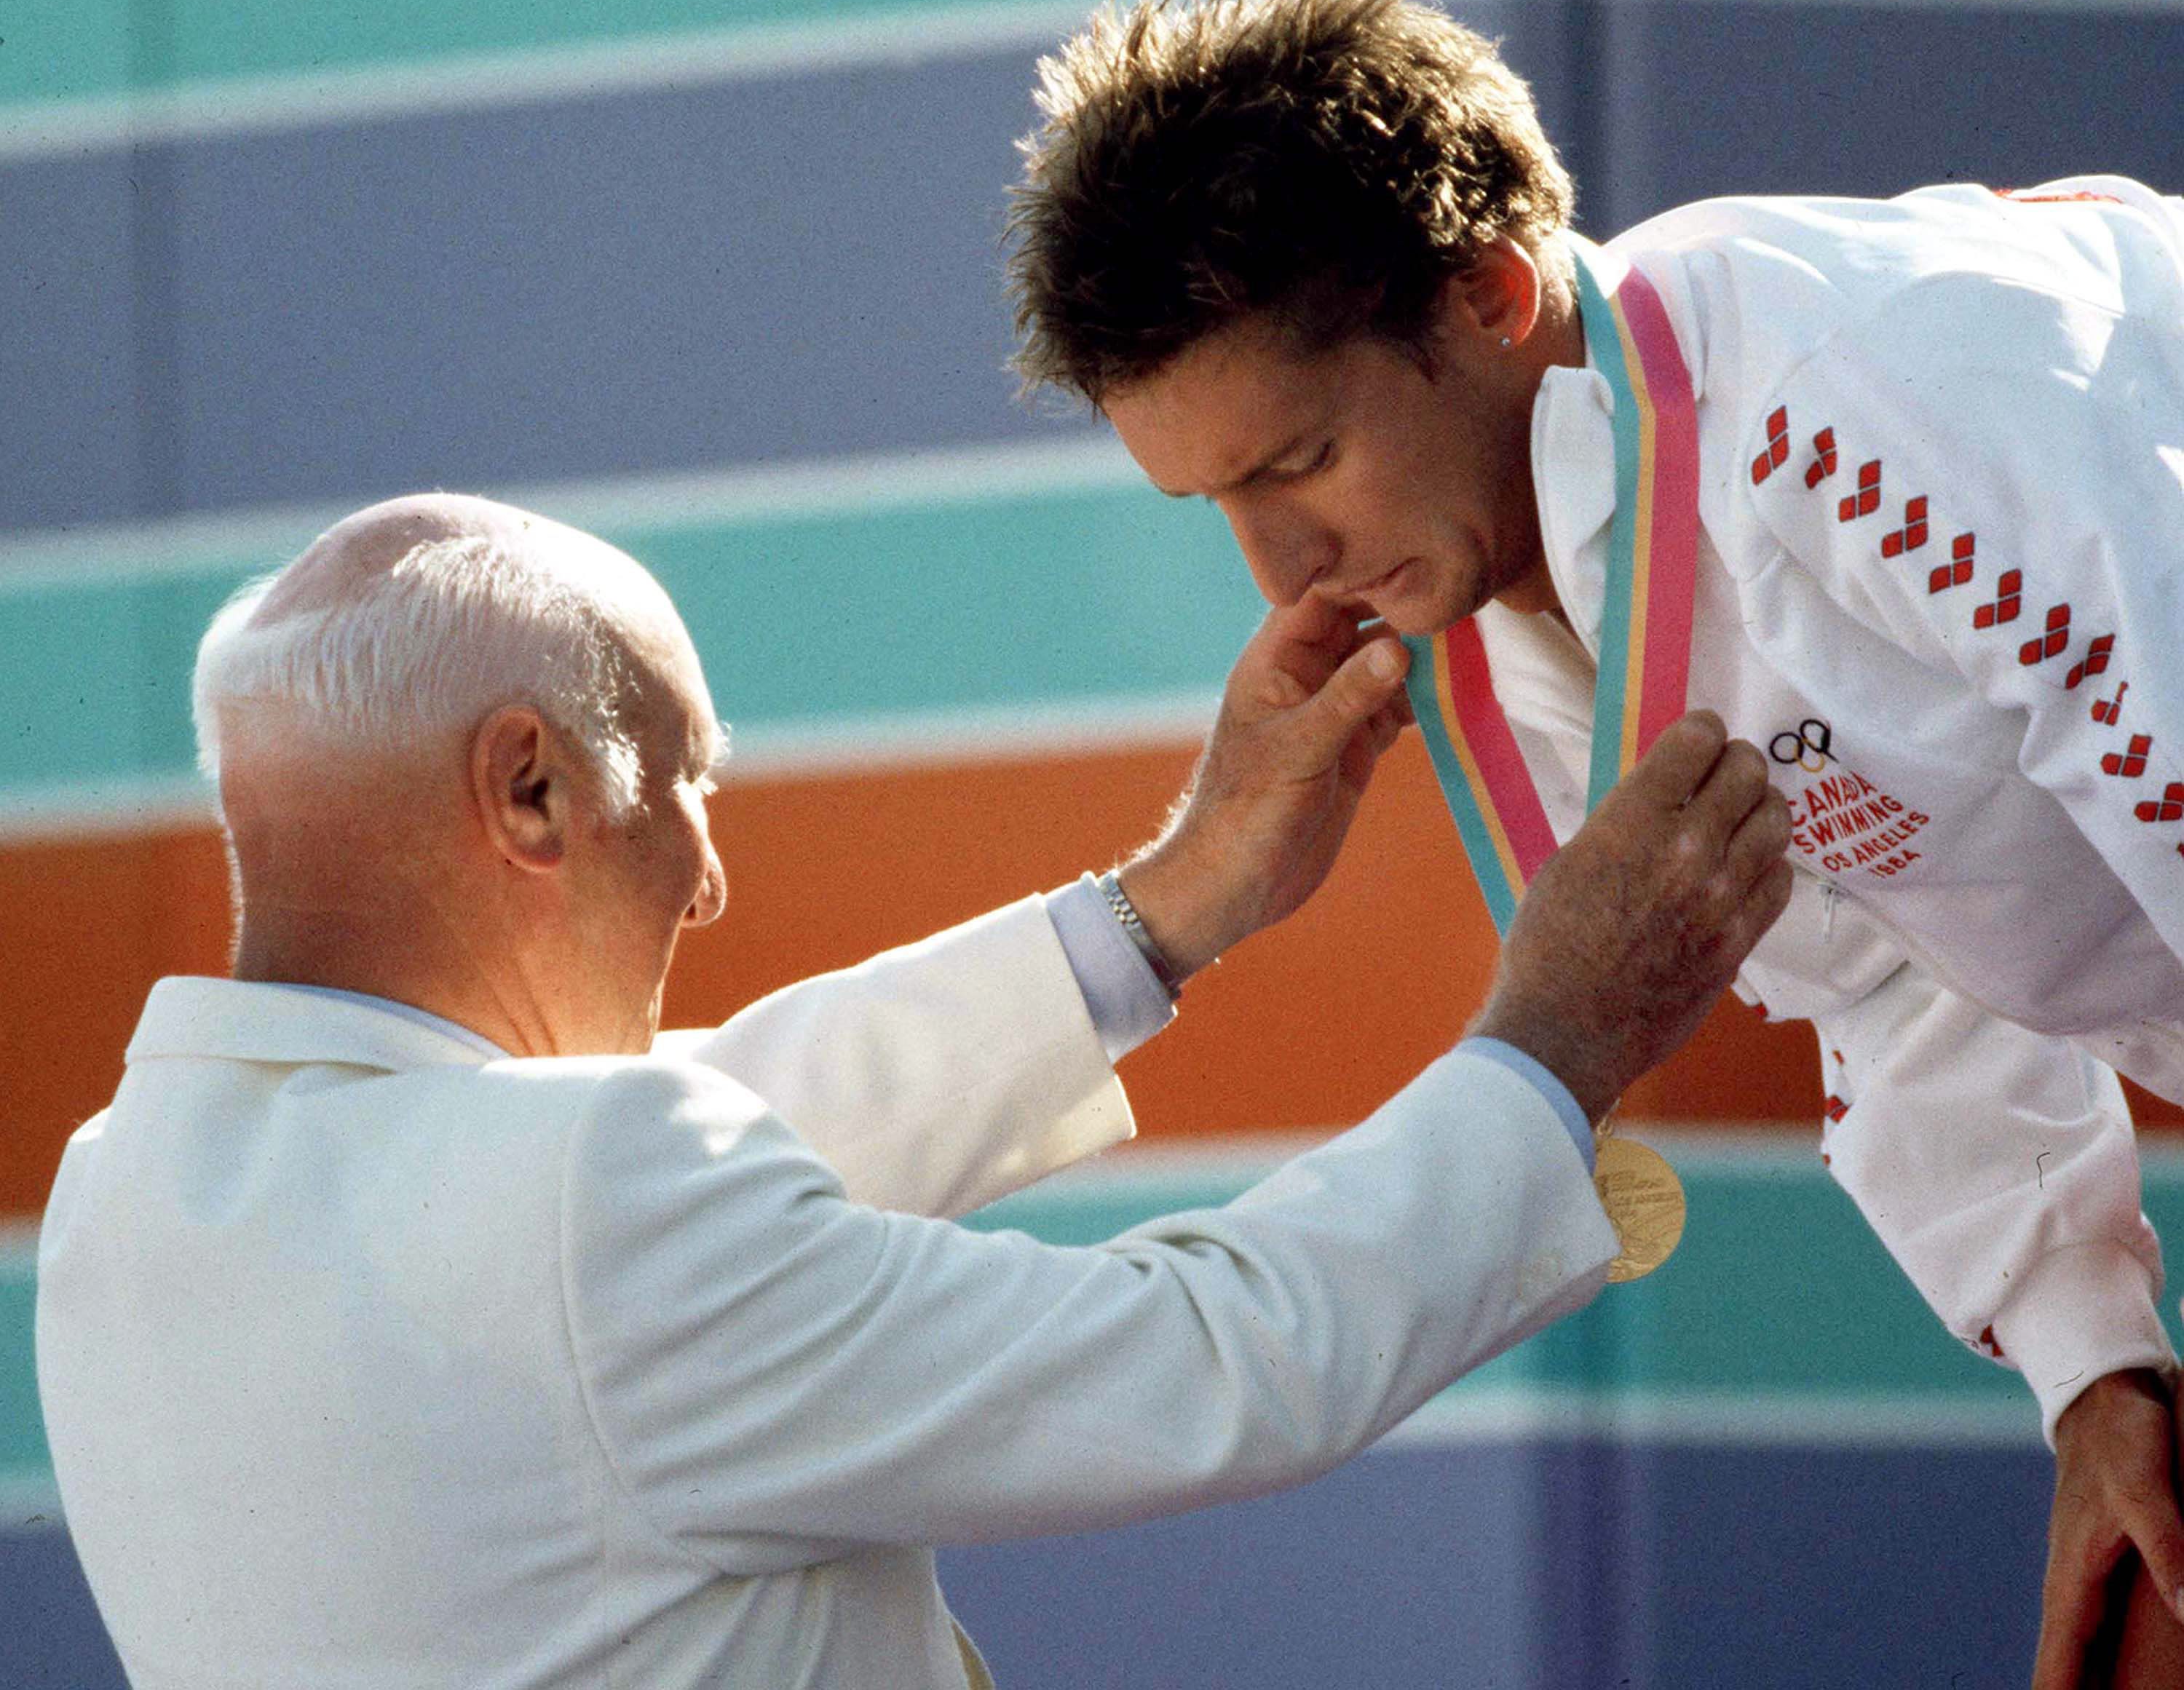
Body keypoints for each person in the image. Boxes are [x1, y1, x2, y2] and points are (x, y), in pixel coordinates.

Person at [34, 493, 1790, 1689]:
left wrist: (1169, 904)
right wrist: (1556, 1040)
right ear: (531, 787)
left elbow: (671, 1153)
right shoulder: (584, 1209)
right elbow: (1204, 1359)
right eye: (688, 784)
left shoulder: (128, 1195)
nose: (708, 876)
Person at [1003, 0, 2184, 1688]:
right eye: (1216, 504)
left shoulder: (1863, 395)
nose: (1281, 571)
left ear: (1487, 291)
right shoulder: (1522, 606)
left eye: (1302, 459)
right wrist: (2098, 1370)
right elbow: (1896, 962)